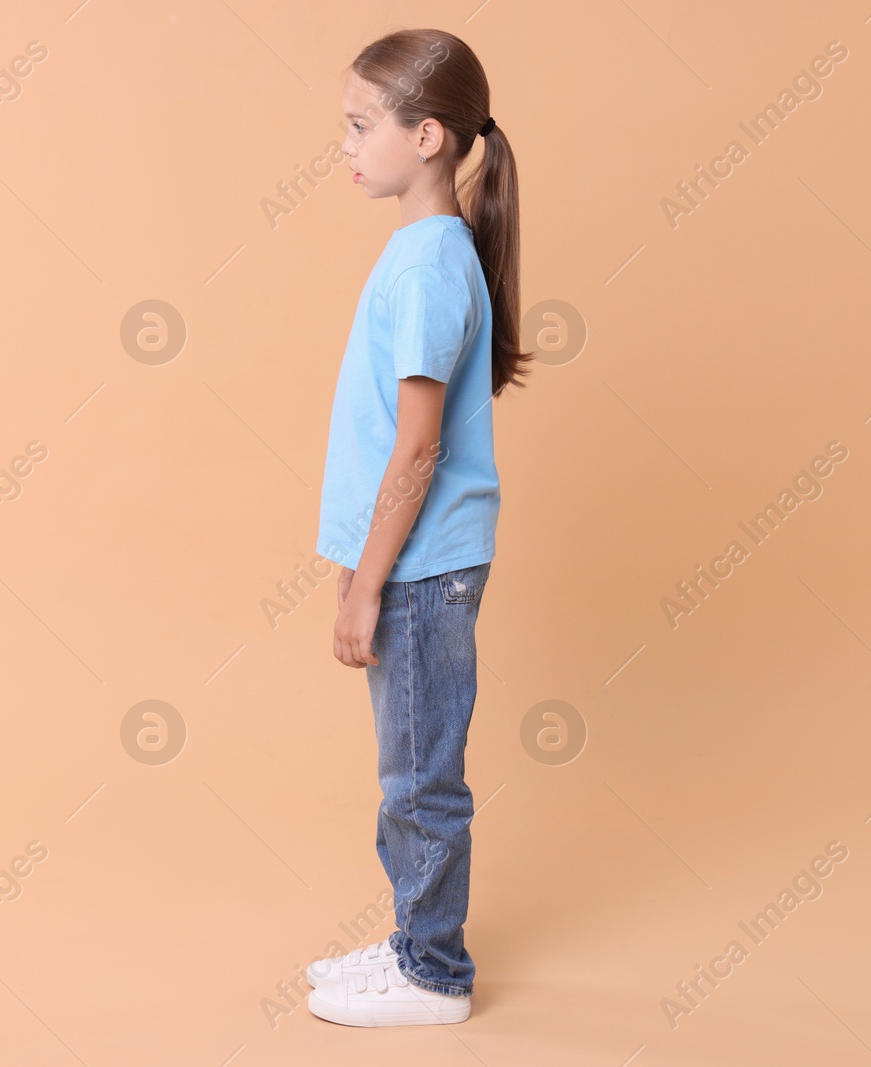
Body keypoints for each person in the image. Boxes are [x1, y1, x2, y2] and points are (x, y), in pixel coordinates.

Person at [306, 27, 531, 1028]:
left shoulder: (432, 267)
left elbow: (417, 450)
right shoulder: (423, 253)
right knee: (407, 765)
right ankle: (412, 939)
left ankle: (432, 972)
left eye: (362, 127)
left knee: (420, 776)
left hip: (422, 568)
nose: (347, 146)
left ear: (429, 136)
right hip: (415, 562)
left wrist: (365, 582)